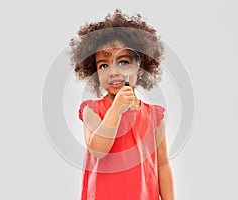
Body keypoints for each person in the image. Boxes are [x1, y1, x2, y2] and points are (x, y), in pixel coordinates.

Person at [70, 9, 175, 200]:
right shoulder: (92, 110)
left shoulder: (154, 116)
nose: (112, 72)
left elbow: (163, 165)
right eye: (103, 65)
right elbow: (98, 149)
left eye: (123, 62)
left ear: (140, 68)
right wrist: (116, 110)